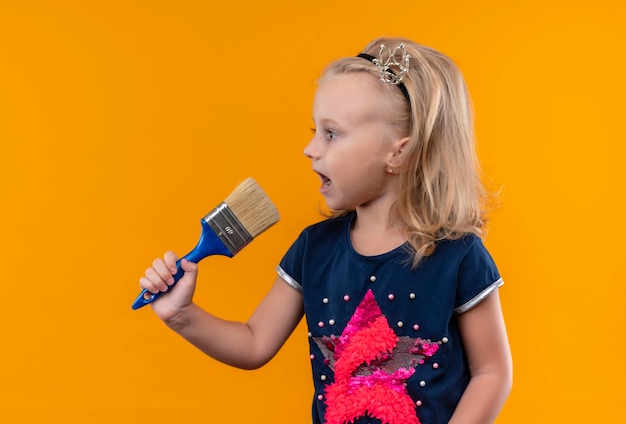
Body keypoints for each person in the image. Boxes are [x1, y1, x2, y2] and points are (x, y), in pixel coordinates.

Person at [139, 37, 512, 424]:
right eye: (314, 130)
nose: (310, 148)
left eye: (331, 134)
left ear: (398, 152)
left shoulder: (459, 255)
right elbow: (254, 343)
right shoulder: (313, 248)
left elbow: (492, 372)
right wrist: (182, 315)